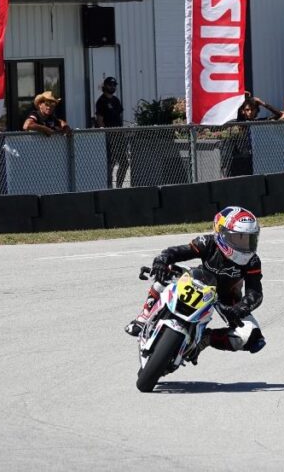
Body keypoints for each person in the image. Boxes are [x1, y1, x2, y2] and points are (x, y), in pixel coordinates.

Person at [124, 206, 266, 358]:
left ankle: (205, 339)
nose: (245, 244)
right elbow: (178, 252)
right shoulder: (208, 242)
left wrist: (239, 308)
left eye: (249, 238)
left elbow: (255, 292)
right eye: (238, 238)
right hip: (198, 280)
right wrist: (161, 260)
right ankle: (144, 317)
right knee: (166, 272)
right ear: (221, 233)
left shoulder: (252, 261)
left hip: (226, 297)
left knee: (254, 338)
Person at [94, 77, 128, 188]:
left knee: (124, 163)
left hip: (119, 135)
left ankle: (119, 186)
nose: (112, 87)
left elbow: (120, 116)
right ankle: (109, 187)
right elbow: (100, 120)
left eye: (114, 85)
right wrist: (106, 134)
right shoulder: (101, 101)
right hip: (109, 136)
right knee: (111, 163)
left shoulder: (116, 100)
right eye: (110, 85)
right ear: (105, 86)